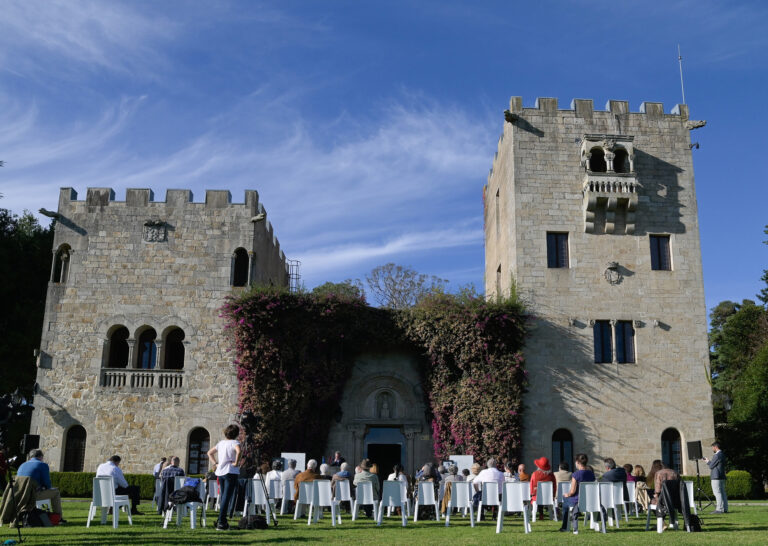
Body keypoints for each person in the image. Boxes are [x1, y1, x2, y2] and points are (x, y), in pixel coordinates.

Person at [207, 424, 241, 531]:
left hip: (220, 471)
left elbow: (209, 453)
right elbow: (239, 451)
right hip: (230, 471)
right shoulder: (235, 442)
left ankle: (222, 521)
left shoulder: (221, 443)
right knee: (227, 496)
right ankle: (221, 521)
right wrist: (236, 463)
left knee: (223, 496)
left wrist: (215, 463)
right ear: (236, 434)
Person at [16, 450, 64, 521]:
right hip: (32, 495)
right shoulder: (42, 465)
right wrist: (47, 487)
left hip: (20, 495)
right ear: (41, 457)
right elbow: (47, 483)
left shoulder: (22, 465)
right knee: (56, 492)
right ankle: (58, 518)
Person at [559, 453, 595, 534]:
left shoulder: (575, 474)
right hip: (590, 500)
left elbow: (572, 492)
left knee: (565, 500)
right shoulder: (591, 474)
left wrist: (566, 494)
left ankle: (565, 527)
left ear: (578, 462)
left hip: (577, 501)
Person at [704, 441, 728, 514]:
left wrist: (707, 461)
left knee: (717, 493)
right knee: (723, 492)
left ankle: (719, 509)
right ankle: (725, 508)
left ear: (716, 447)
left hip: (716, 477)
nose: (712, 449)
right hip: (722, 476)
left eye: (713, 447)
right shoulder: (723, 455)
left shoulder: (716, 455)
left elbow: (711, 466)